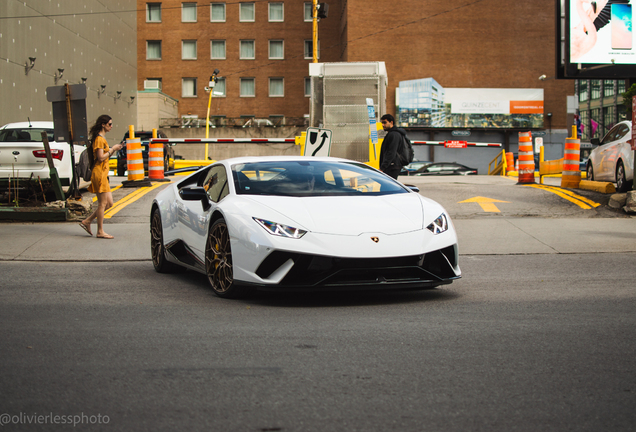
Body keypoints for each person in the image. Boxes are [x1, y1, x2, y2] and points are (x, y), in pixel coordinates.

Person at [78, 115, 123, 239]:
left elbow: (105, 155)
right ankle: (100, 231)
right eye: (109, 124)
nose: (111, 126)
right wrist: (112, 148)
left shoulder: (102, 138)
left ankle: (87, 221)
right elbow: (100, 157)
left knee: (109, 203)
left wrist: (115, 149)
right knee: (102, 203)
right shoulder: (99, 139)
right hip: (99, 174)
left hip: (103, 174)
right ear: (103, 125)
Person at [379, 114, 408, 180]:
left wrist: (382, 167)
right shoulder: (392, 134)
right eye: (382, 123)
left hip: (392, 166)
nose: (383, 125)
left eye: (385, 122)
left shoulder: (394, 135)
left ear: (391, 122)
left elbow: (391, 152)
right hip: (392, 166)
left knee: (388, 187)